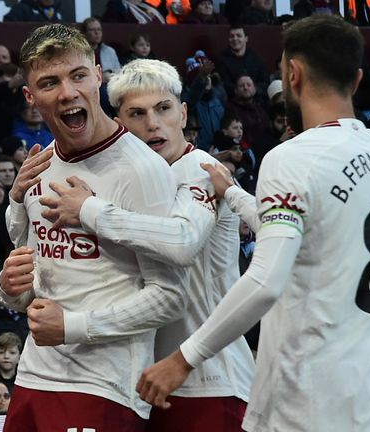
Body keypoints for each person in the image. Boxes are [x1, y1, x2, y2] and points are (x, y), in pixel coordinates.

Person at [136, 15, 370, 431]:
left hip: (309, 401)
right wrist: (231, 192)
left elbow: (265, 280)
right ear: (356, 79)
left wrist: (182, 359)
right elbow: (300, 236)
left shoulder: (291, 158)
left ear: (293, 74)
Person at [39, 58, 255, 430]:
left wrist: (91, 209)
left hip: (211, 381)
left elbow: (182, 242)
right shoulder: (131, 178)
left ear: (184, 114)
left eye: (163, 109)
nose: (152, 123)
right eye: (137, 114)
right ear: (121, 124)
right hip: (150, 380)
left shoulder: (199, 169)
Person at [0, 23, 186, 431]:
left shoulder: (142, 170)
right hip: (32, 377)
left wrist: (73, 327)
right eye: (50, 82)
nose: (67, 92)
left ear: (99, 76)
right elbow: (34, 284)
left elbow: (170, 298)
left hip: (104, 385)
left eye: (78, 76)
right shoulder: (39, 163)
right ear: (30, 97)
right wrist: (9, 288)